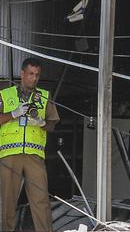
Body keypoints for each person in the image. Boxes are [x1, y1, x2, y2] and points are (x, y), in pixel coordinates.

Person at [0, 57, 60, 231]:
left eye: (37, 75)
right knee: (7, 201)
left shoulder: (44, 96)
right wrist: (13, 114)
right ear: (22, 74)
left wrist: (41, 123)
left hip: (34, 155)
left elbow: (53, 123)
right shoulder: (5, 94)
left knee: (41, 198)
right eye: (31, 74)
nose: (34, 78)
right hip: (9, 154)